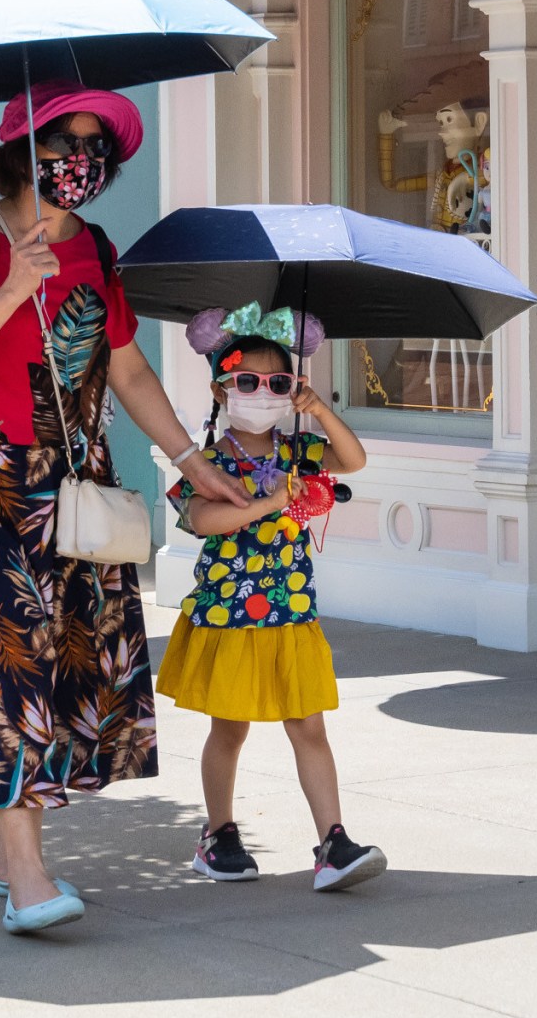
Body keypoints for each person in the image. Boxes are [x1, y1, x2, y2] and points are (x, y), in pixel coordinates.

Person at [0, 86, 250, 936]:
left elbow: (128, 371)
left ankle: (1, 852)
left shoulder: (97, 248)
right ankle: (25, 874)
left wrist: (193, 462)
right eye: (66, 137)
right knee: (14, 669)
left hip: (77, 481)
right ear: (24, 146)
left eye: (97, 144)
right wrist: (9, 287)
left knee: (74, 669)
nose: (83, 158)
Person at [156, 304, 383, 892]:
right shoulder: (204, 462)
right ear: (221, 388)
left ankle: (333, 843)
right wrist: (265, 503)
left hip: (291, 616)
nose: (263, 392)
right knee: (228, 729)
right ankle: (219, 835)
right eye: (247, 382)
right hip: (230, 619)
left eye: (278, 383)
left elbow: (354, 459)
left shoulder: (298, 450)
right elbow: (202, 519)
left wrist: (320, 411)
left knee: (309, 726)